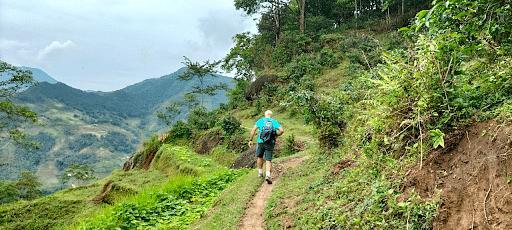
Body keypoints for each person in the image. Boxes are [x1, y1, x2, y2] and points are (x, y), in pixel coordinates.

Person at [248, 110, 284, 184]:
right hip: (270, 143)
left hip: (261, 142)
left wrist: (250, 140)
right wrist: (276, 135)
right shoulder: (274, 122)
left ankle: (260, 173)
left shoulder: (260, 121)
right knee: (268, 159)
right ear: (271, 115)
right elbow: (282, 130)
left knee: (260, 156)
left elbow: (253, 130)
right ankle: (267, 175)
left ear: (265, 115)